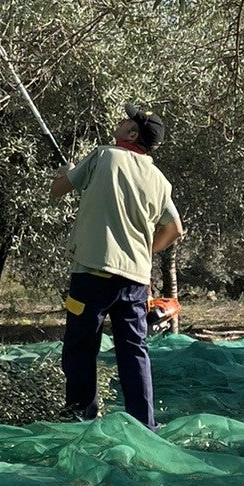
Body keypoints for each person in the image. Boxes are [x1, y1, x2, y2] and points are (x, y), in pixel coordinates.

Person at [51, 106, 182, 429]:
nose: (121, 122)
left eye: (126, 121)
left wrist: (67, 172)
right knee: (134, 350)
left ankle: (80, 417)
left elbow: (57, 190)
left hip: (92, 272)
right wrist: (144, 253)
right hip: (134, 279)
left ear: (132, 134)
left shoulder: (104, 156)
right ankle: (144, 424)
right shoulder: (159, 180)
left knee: (81, 348)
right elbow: (175, 228)